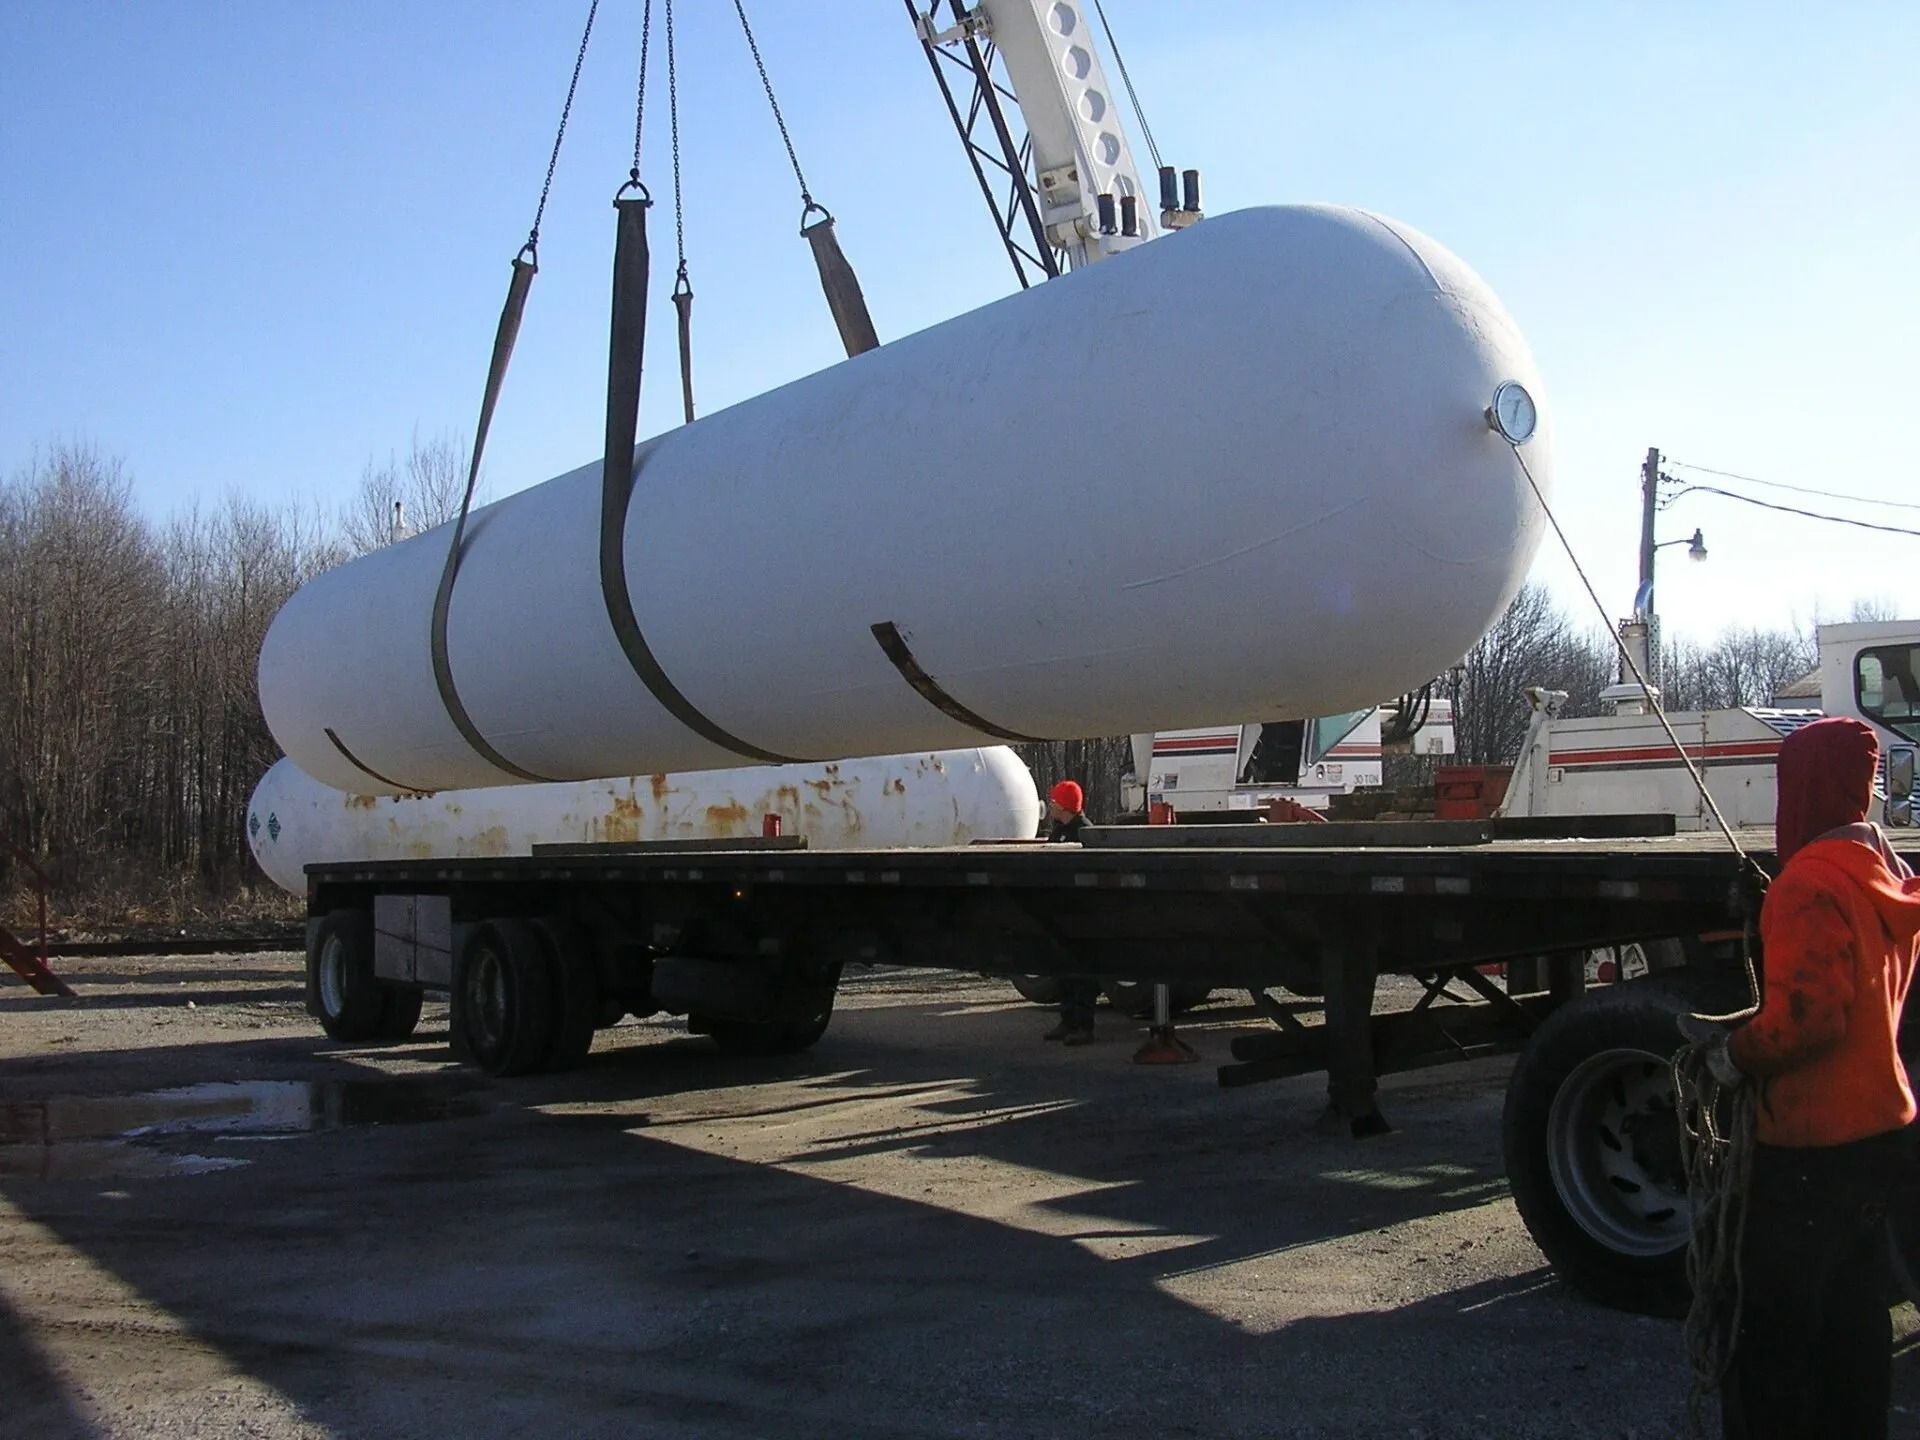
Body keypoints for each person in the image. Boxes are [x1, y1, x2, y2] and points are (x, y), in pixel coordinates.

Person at [1683, 717, 1920, 1440]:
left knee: (1775, 1336)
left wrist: (1732, 1055)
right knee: (1854, 1316)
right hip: (1881, 1131)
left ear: (1804, 787)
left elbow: (1807, 1022)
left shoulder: (1808, 884)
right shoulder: (1887, 877)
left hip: (1812, 1147)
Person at [1040, 780, 1100, 1046]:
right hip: (1062, 911)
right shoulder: (1059, 832)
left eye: (1054, 801)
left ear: (1064, 805)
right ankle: (1067, 1020)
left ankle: (1084, 1025)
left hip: (1082, 914)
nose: (1050, 806)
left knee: (1082, 972)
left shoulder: (1085, 833)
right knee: (1063, 969)